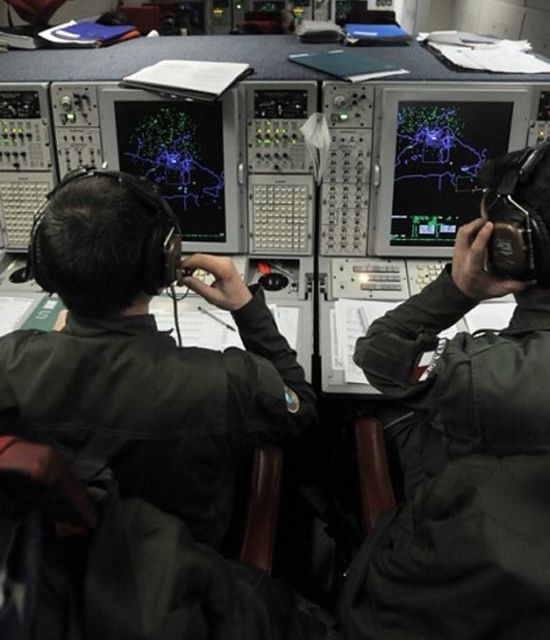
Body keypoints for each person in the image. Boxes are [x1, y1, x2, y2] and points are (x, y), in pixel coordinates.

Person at [0, 168, 317, 549]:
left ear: (43, 268)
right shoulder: (231, 381)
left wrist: (52, 343)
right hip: (185, 571)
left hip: (60, 567)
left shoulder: (9, 361)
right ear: (163, 262)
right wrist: (247, 309)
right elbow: (302, 411)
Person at [339, 143, 550, 640]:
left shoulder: (483, 373)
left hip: (448, 571)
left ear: (513, 246)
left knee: (358, 417)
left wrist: (459, 288)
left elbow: (379, 353)